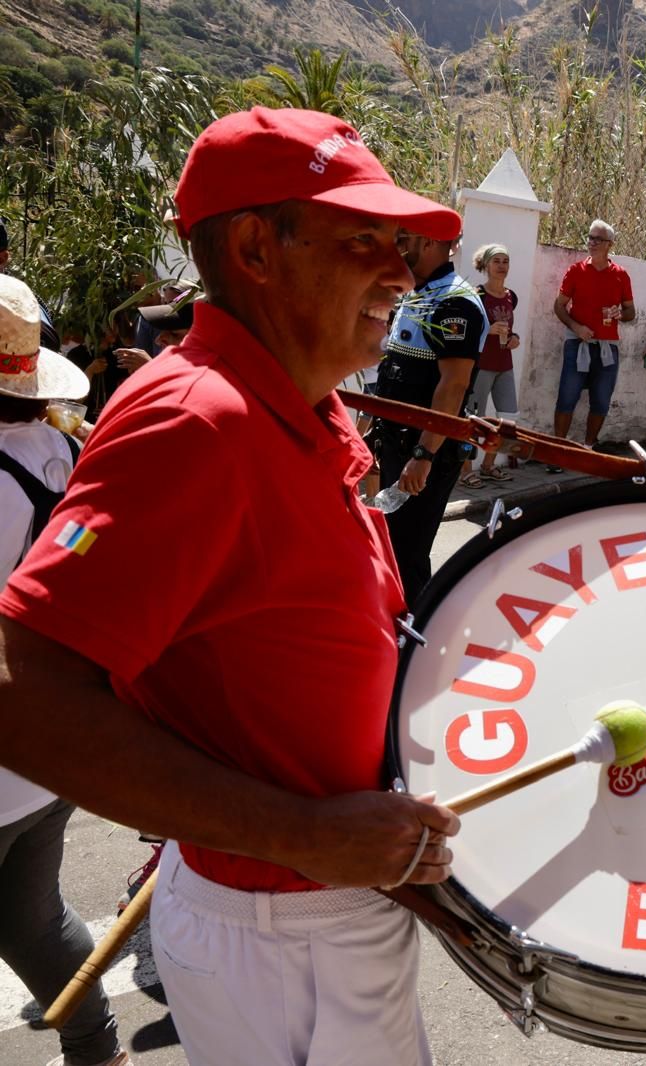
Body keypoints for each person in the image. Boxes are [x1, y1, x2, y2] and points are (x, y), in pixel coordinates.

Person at [0, 107, 462, 1066]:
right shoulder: (197, 420)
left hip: (309, 916)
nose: (402, 274)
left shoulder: (296, 404)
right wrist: (302, 833)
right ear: (256, 247)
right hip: (281, 932)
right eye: (364, 240)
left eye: (404, 247)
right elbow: (21, 694)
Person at [0, 276, 129, 1066]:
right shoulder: (63, 453)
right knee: (29, 917)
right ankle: (97, 1049)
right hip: (57, 741)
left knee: (32, 917)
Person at [370, 227, 487, 603]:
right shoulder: (415, 293)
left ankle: (414, 640)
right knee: (391, 549)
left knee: (407, 556)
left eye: (405, 240)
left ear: (431, 242)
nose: (398, 248)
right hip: (396, 445)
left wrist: (424, 455)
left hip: (424, 452)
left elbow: (452, 386)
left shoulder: (456, 303)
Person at [553, 219, 635, 453]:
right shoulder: (575, 271)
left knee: (601, 400)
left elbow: (631, 311)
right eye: (590, 237)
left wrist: (620, 313)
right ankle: (558, 451)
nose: (592, 242)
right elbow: (559, 306)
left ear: (610, 244)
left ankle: (588, 448)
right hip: (577, 344)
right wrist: (576, 327)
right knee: (567, 397)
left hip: (608, 347)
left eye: (598, 239)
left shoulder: (621, 275)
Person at [462, 243, 520, 487]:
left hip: (504, 365)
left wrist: (514, 339)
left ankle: (488, 465)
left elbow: (510, 329)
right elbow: (465, 332)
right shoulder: (477, 295)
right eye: (496, 261)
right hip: (482, 366)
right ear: (485, 265)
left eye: (505, 261)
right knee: (473, 419)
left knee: (507, 419)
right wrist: (488, 331)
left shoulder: (511, 296)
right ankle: (465, 471)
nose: (501, 266)